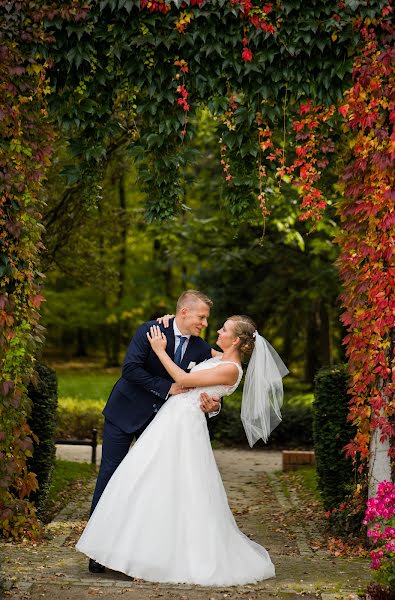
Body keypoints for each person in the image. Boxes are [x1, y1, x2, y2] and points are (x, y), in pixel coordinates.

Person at [77, 314, 288, 585]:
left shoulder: (232, 368)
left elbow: (184, 379)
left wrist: (159, 350)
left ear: (236, 340)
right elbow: (203, 372)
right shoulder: (219, 356)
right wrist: (172, 319)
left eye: (224, 329)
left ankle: (154, 554)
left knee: (165, 485)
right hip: (170, 422)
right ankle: (120, 549)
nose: (217, 330)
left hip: (182, 427)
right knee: (141, 481)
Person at [88, 290, 221, 573]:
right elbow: (130, 369)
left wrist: (215, 404)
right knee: (110, 476)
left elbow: (225, 369)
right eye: (202, 317)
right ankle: (97, 551)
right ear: (184, 312)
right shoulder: (151, 330)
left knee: (146, 484)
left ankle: (135, 551)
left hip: (160, 423)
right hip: (123, 414)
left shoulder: (200, 348)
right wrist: (167, 388)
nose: (205, 323)